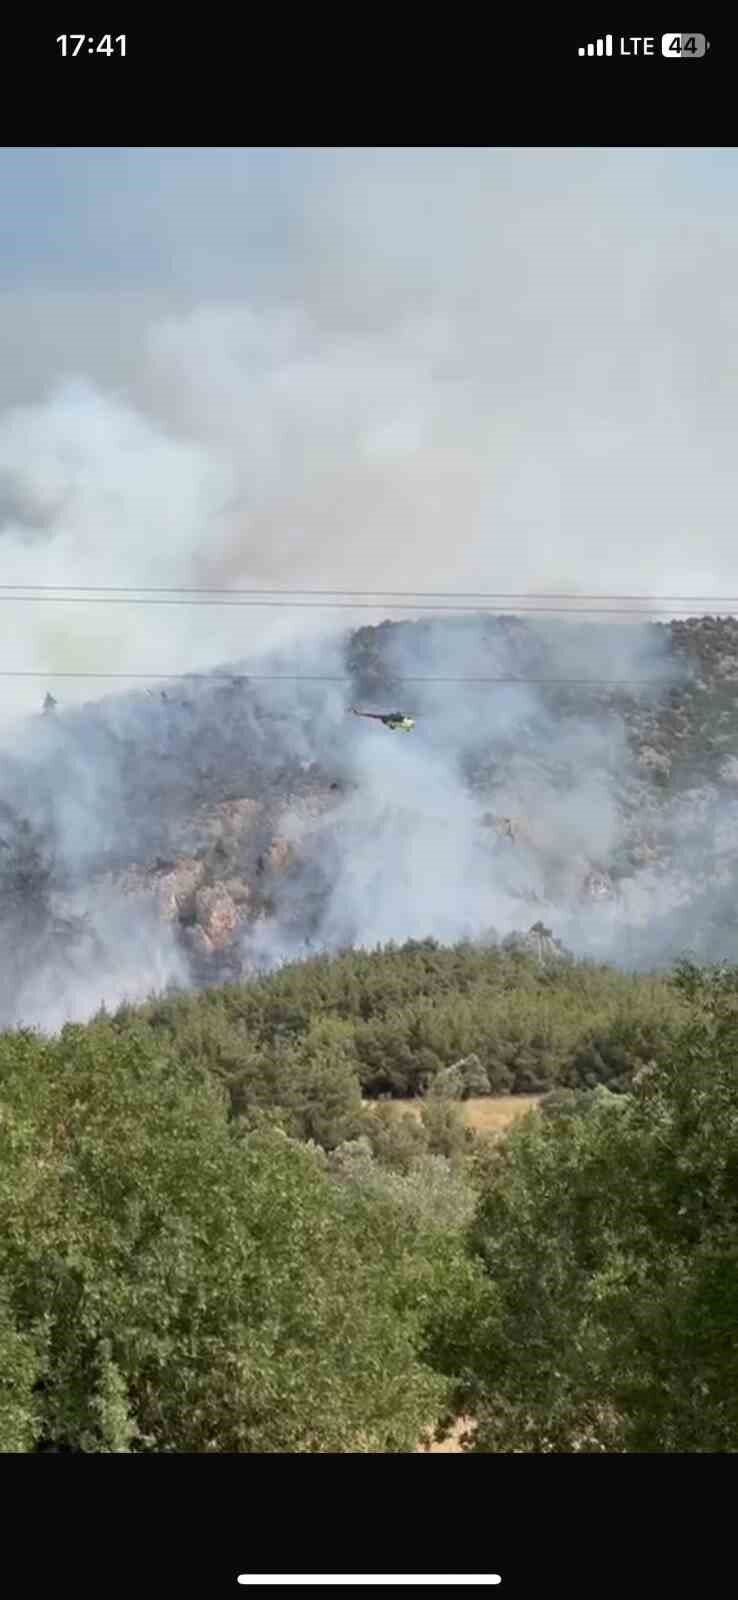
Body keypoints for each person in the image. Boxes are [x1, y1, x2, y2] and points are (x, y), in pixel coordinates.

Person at [350, 706, 415, 732]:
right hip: (390, 719)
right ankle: (359, 713)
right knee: (375, 716)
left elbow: (394, 725)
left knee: (375, 716)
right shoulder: (400, 721)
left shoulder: (398, 722)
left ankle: (359, 714)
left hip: (391, 720)